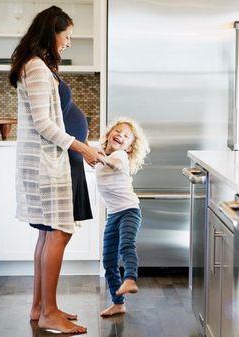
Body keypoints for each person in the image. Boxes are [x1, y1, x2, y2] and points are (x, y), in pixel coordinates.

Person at [8, 5, 104, 334]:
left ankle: (41, 307)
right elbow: (44, 124)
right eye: (68, 36)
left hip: (55, 162)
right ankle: (48, 312)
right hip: (47, 165)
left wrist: (88, 146)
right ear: (53, 32)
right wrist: (82, 147)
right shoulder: (35, 67)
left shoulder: (40, 65)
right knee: (58, 234)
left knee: (49, 233)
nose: (69, 42)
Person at [95, 118, 150, 317]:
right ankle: (118, 303)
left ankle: (130, 279)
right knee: (108, 261)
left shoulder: (119, 157)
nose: (120, 135)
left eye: (126, 136)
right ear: (109, 134)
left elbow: (115, 164)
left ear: (129, 148)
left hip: (129, 211)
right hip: (113, 215)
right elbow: (92, 156)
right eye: (117, 131)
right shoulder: (102, 155)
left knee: (126, 245)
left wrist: (101, 157)